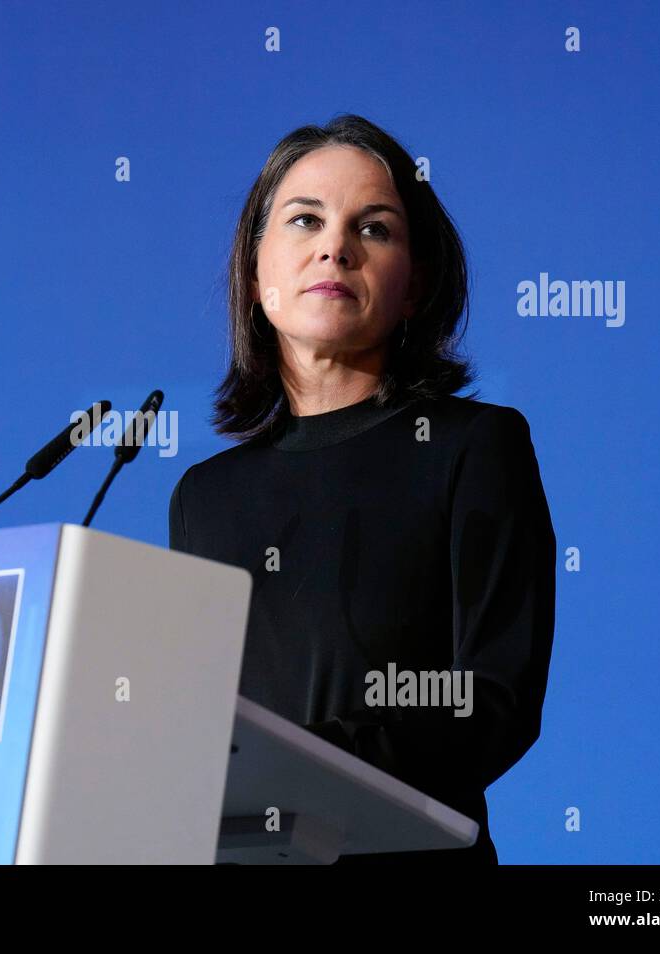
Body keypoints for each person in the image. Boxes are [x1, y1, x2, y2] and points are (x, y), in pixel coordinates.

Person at [169, 114, 557, 865]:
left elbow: (492, 700)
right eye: (305, 220)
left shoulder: (476, 446)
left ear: (415, 286)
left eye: (373, 229)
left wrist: (318, 767)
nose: (335, 246)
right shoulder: (203, 497)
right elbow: (200, 735)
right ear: (256, 276)